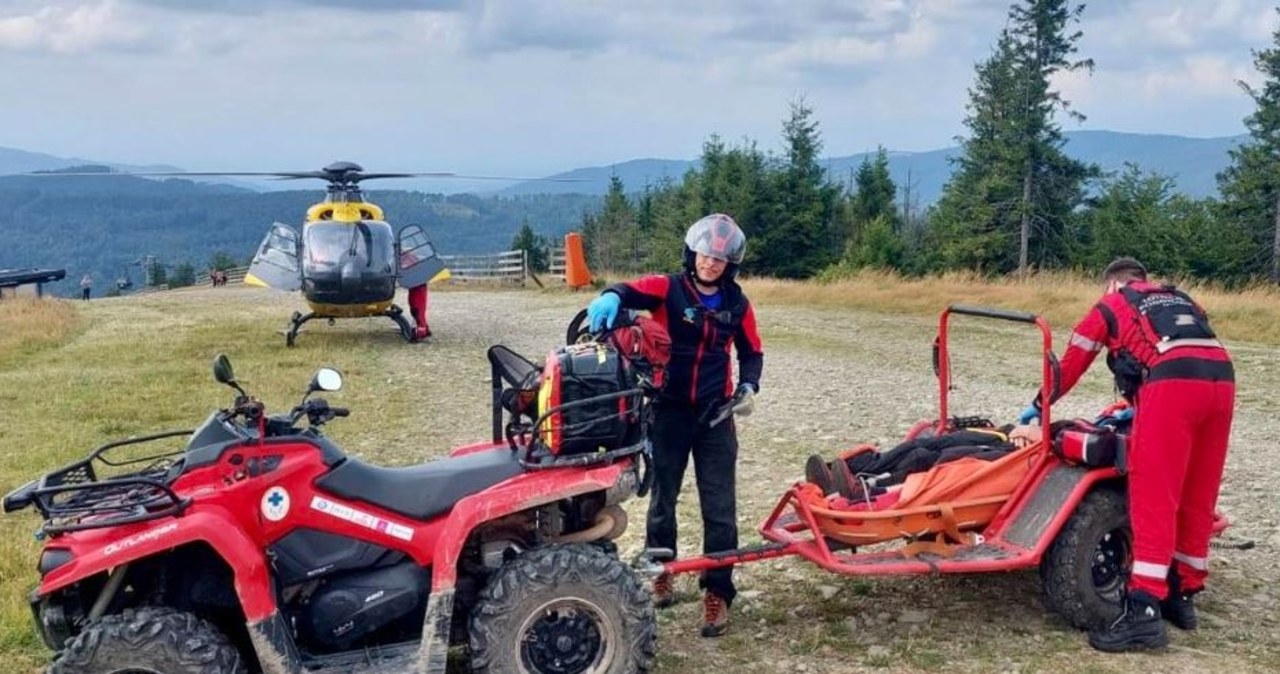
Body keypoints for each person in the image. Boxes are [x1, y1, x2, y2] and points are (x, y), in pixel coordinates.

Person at [1017, 257, 1234, 652]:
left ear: (1111, 284)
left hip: (1172, 386)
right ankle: (1181, 597)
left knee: (1154, 494)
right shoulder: (1179, 298)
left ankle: (1143, 614)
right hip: (1221, 381)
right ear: (1144, 280)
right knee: (1197, 492)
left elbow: (1072, 361)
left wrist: (1037, 406)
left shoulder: (1113, 304)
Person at [586, 213, 763, 637]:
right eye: (705, 255)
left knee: (719, 507)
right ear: (693, 253)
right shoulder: (668, 289)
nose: (710, 263)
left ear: (730, 265)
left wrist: (750, 385)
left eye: (720, 259)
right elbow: (626, 290)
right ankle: (662, 570)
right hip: (667, 411)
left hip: (716, 415)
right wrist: (610, 297)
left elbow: (752, 351)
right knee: (662, 496)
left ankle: (717, 591)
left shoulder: (738, 304)